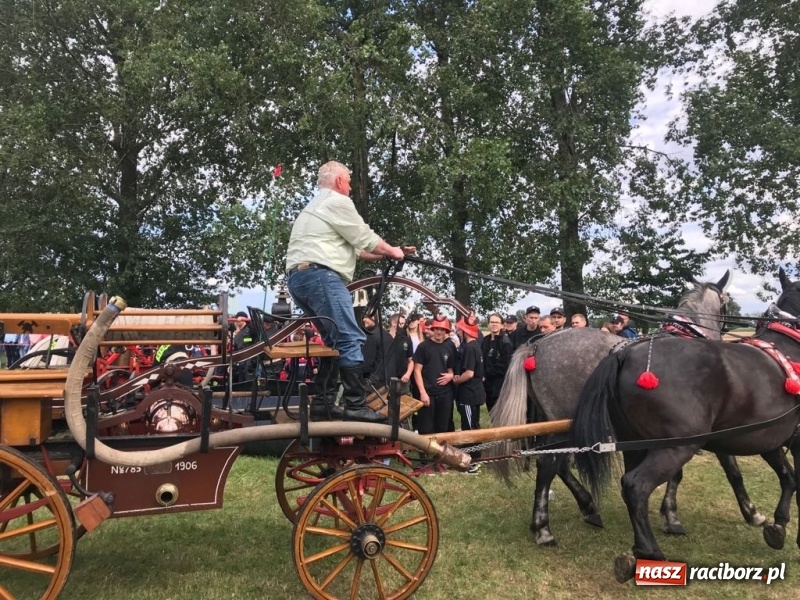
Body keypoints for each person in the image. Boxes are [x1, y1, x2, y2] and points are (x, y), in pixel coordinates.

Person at [286, 160, 413, 422]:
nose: (352, 187)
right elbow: (365, 236)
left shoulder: (315, 208)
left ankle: (323, 403)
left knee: (334, 341)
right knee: (350, 338)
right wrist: (393, 251)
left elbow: (359, 249)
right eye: (350, 181)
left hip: (301, 278)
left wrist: (390, 252)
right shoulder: (337, 202)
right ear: (340, 181)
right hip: (322, 276)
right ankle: (355, 405)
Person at [413, 314, 456, 435]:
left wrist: (451, 375)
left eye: (442, 329)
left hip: (445, 393)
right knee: (426, 428)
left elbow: (451, 368)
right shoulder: (423, 347)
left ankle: (440, 453)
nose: (439, 332)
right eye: (437, 329)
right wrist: (422, 393)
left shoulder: (450, 346)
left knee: (443, 426)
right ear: (432, 329)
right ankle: (425, 453)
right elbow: (417, 371)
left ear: (446, 331)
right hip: (428, 393)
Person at [454, 316, 485, 473]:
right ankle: (477, 456)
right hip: (475, 392)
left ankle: (472, 461)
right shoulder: (475, 345)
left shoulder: (469, 348)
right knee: (474, 424)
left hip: (469, 393)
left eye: (459, 329)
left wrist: (456, 380)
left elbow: (469, 373)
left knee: (469, 427)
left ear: (465, 331)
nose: (458, 331)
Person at [481, 313, 512, 412]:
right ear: (488, 324)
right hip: (487, 384)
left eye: (497, 322)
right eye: (492, 322)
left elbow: (504, 367)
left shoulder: (505, 343)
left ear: (502, 325)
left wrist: (486, 374)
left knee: (499, 413)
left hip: (499, 386)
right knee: (490, 411)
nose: (494, 324)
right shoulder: (485, 340)